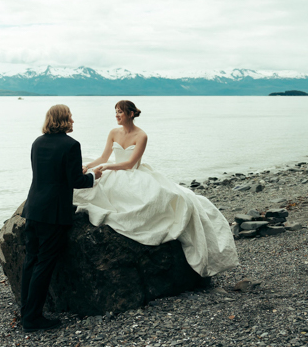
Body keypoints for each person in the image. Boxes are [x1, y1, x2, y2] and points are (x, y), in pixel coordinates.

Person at [74, 100, 239, 277]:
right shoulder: (113, 132)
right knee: (91, 192)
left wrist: (107, 167)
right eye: (115, 112)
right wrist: (86, 166)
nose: (116, 115)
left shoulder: (141, 135)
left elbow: (130, 164)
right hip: (114, 170)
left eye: (120, 112)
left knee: (168, 198)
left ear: (130, 114)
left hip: (132, 173)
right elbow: (104, 156)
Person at [20, 104, 101, 332]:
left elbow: (46, 173)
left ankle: (26, 311)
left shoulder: (38, 141)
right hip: (53, 213)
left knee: (30, 261)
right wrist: (94, 176)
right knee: (43, 265)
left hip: (33, 208)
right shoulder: (71, 145)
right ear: (64, 119)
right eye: (71, 116)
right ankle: (32, 319)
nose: (73, 120)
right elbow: (75, 181)